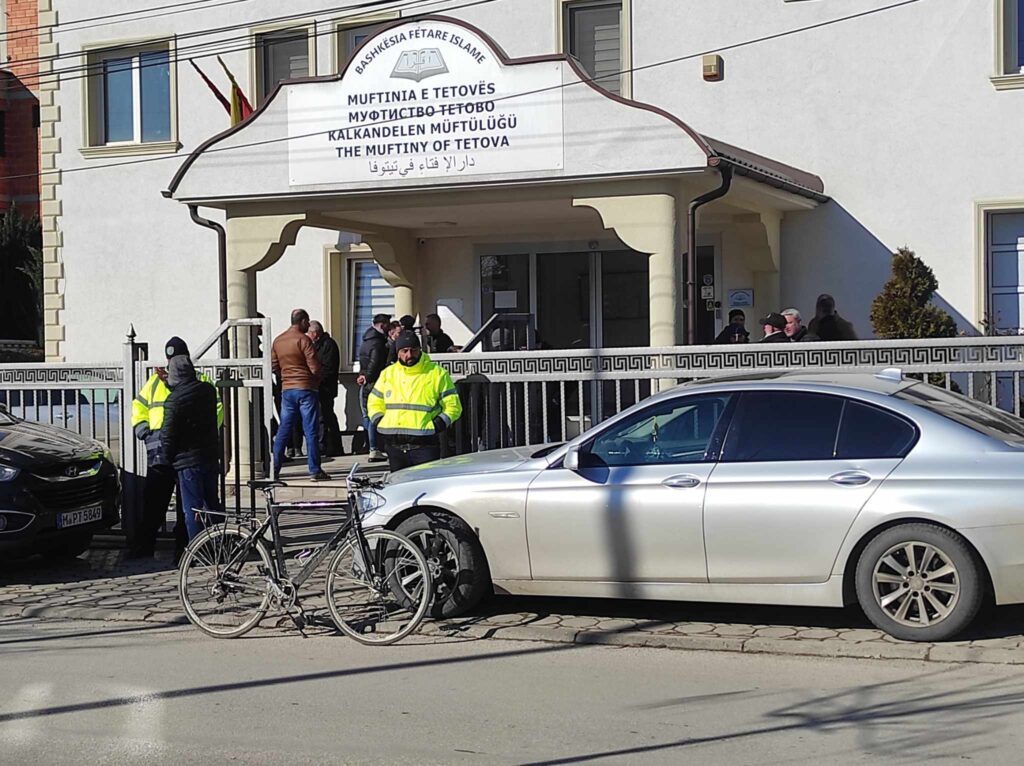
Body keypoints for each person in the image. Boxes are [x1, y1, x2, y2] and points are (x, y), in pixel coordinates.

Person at [130, 337, 222, 561]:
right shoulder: (154, 382)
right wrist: (145, 432)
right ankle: (145, 547)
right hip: (160, 454)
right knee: (154, 504)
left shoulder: (201, 380)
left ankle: (184, 551)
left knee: (186, 508)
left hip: (182, 453)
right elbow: (138, 407)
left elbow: (217, 412)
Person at [368, 331, 462, 472]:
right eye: (404, 351)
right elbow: (374, 401)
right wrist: (379, 420)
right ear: (398, 352)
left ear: (420, 350)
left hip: (425, 446)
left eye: (413, 350)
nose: (409, 355)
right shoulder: (388, 373)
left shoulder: (437, 373)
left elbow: (453, 406)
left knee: (426, 489)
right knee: (399, 490)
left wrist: (438, 424)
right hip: (394, 446)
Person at [160, 355, 222, 542]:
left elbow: (168, 436)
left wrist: (167, 459)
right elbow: (188, 392)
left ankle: (197, 551)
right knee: (213, 504)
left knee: (192, 511)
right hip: (210, 457)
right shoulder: (207, 391)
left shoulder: (173, 400)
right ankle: (223, 545)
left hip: (187, 462)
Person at [271, 308, 329, 481]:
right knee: (310, 430)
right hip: (306, 389)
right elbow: (314, 367)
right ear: (302, 321)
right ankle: (314, 470)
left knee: (284, 429)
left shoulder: (278, 341)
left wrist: (285, 377)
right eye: (307, 321)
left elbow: (274, 366)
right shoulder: (304, 340)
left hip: (287, 390)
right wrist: (315, 381)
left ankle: (274, 470)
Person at [357, 313, 391, 463]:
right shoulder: (378, 342)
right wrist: (369, 377)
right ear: (382, 325)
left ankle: (370, 445)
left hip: (365, 382)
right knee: (374, 416)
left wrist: (362, 375)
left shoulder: (365, 340)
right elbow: (375, 363)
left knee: (367, 415)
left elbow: (363, 361)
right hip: (374, 383)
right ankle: (374, 448)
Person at [308, 320, 344, 457]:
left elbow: (327, 368)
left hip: (325, 388)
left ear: (315, 333)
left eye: (309, 333)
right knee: (325, 416)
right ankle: (330, 445)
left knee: (326, 416)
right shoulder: (319, 345)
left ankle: (330, 446)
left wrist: (316, 380)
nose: (308, 336)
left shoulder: (328, 345)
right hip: (321, 387)